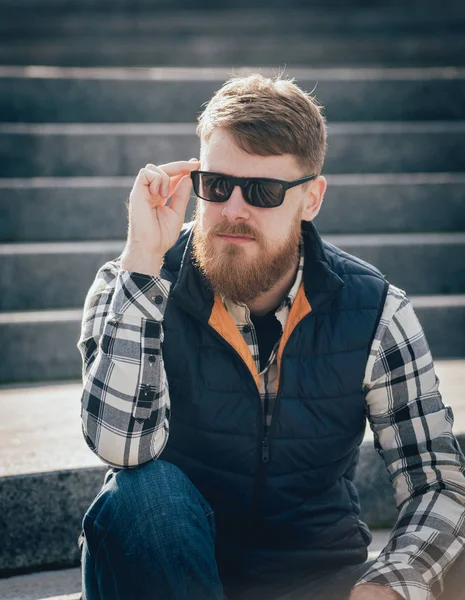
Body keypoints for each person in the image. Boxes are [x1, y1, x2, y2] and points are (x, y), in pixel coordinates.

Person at [77, 74, 465, 600]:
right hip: (172, 573)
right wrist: (143, 264)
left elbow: (438, 484)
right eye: (217, 185)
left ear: (311, 199)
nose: (234, 210)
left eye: (262, 192)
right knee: (142, 493)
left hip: (316, 577)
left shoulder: (375, 310)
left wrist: (390, 587)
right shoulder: (131, 284)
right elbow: (120, 448)